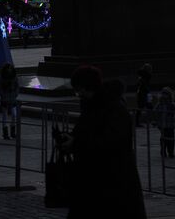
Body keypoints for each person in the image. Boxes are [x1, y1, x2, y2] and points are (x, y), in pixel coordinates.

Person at [59, 65, 146, 218]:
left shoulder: (114, 109)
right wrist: (70, 138)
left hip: (113, 182)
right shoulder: (91, 106)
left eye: (79, 90)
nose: (78, 94)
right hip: (94, 182)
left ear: (88, 87)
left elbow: (111, 142)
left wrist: (76, 143)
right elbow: (83, 133)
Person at [153, 87, 175, 158]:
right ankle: (163, 151)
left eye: (166, 94)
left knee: (171, 139)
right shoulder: (159, 104)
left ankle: (171, 152)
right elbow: (155, 112)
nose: (164, 96)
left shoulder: (171, 104)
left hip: (170, 125)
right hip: (162, 125)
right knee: (163, 139)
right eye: (163, 94)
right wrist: (155, 120)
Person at [0, 63, 19, 139]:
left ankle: (13, 132)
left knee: (14, 114)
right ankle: (5, 134)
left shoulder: (14, 76)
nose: (9, 70)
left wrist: (15, 94)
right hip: (5, 99)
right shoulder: (2, 78)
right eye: (8, 68)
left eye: (10, 68)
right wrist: (3, 96)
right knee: (5, 116)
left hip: (12, 98)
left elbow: (17, 86)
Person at [135, 62, 153, 127]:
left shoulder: (144, 75)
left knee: (148, 107)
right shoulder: (144, 76)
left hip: (146, 93)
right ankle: (137, 122)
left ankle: (148, 121)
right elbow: (143, 85)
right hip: (143, 93)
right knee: (141, 107)